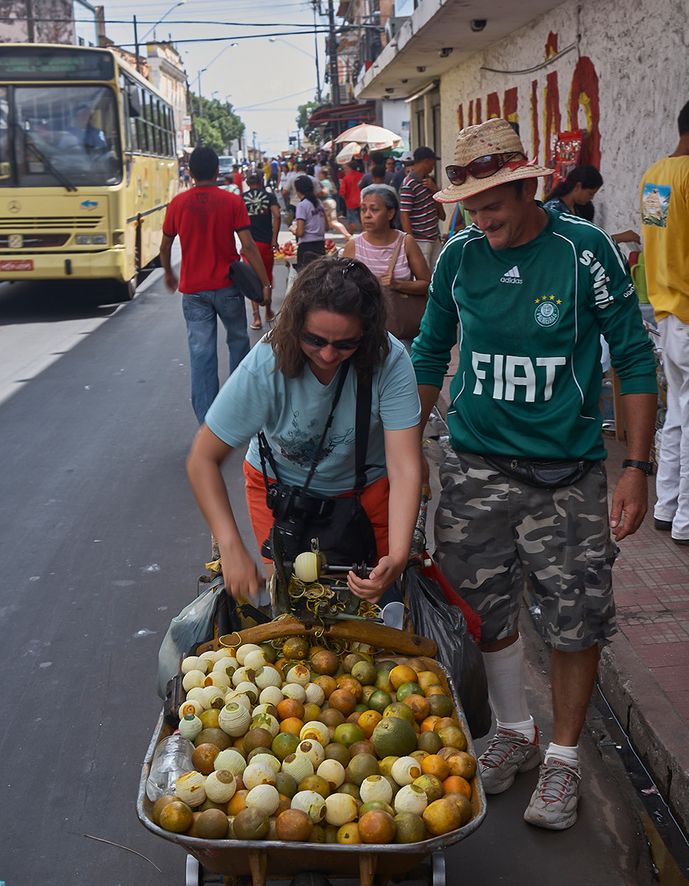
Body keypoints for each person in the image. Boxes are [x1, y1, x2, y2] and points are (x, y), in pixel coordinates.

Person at [411, 117, 657, 831]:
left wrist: (635, 468)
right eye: (471, 204)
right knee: (481, 614)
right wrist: (398, 451)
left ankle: (563, 761)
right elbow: (430, 353)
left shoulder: (585, 253)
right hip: (474, 469)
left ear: (525, 187)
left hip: (568, 476)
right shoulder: (458, 258)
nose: (480, 216)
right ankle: (515, 733)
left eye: (493, 201)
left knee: (577, 621)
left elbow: (634, 356)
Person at [186, 257, 422, 602]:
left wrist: (398, 555)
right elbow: (202, 460)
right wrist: (231, 546)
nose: (327, 355)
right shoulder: (267, 362)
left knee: (374, 606)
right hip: (280, 498)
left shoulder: (391, 360)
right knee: (290, 604)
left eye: (345, 344)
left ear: (367, 335)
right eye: (315, 339)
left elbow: (404, 467)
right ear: (295, 325)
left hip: (366, 497)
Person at [160, 146, 270, 424]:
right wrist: (265, 283)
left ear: (191, 172)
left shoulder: (178, 204)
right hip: (228, 288)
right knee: (238, 344)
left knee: (201, 354)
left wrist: (168, 274)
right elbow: (248, 246)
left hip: (194, 291)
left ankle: (208, 423)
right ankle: (238, 411)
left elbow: (165, 246)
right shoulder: (232, 201)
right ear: (216, 171)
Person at [641, 99, 689, 546]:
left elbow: (658, 235)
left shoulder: (656, 174)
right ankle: (685, 519)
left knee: (677, 411)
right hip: (687, 310)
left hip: (667, 308)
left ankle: (667, 505)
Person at [343, 184, 431, 323]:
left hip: (400, 324)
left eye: (374, 209)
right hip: (362, 324)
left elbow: (427, 284)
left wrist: (397, 285)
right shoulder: (353, 245)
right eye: (363, 209)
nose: (367, 215)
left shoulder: (406, 242)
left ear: (390, 213)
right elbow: (341, 287)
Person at [244, 171, 281, 329]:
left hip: (248, 245)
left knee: (252, 279)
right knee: (266, 276)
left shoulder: (241, 198)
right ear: (261, 181)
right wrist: (274, 239)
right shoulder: (269, 196)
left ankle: (256, 318)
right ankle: (267, 311)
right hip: (265, 244)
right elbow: (277, 216)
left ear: (247, 182)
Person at [400, 145, 445, 270]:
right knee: (423, 277)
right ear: (427, 161)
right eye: (432, 162)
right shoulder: (408, 185)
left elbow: (442, 216)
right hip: (420, 241)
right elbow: (404, 216)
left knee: (436, 274)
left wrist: (435, 191)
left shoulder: (429, 181)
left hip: (434, 237)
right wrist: (411, 243)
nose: (433, 166)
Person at [294, 173, 326, 268]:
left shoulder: (302, 205)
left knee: (306, 278)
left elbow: (300, 232)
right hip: (320, 245)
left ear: (297, 190)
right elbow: (327, 226)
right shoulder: (319, 203)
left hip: (307, 247)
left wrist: (293, 230)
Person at [318, 166, 352, 241]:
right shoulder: (329, 182)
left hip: (327, 202)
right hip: (331, 202)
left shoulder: (324, 182)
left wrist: (319, 194)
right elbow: (334, 192)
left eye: (319, 173)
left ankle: (347, 235)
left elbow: (325, 192)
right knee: (333, 222)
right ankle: (347, 234)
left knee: (332, 222)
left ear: (322, 174)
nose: (318, 175)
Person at [339, 158, 364, 235]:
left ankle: (351, 236)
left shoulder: (346, 178)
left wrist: (345, 199)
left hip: (350, 202)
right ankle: (364, 235)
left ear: (349, 168)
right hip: (361, 201)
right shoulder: (362, 176)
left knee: (351, 220)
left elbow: (342, 192)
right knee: (362, 219)